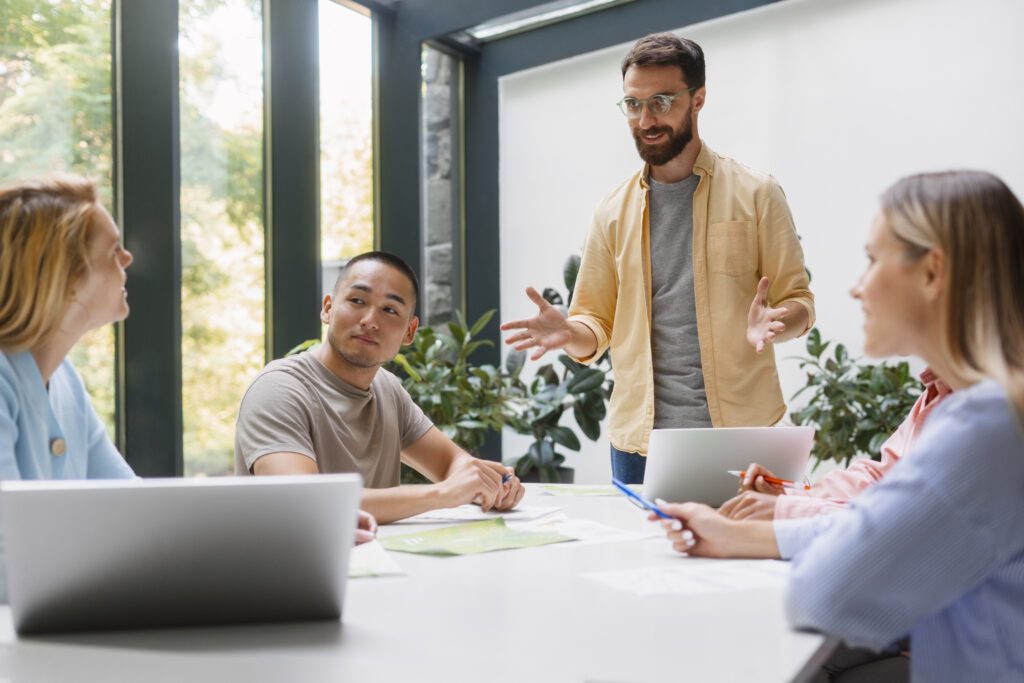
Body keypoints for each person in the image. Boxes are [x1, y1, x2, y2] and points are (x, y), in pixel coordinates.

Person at [653, 171, 1024, 681]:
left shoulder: (989, 425)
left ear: (933, 272)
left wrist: (772, 521)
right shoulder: (982, 405)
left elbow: (825, 594)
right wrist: (750, 532)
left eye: (873, 261)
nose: (856, 287)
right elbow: (884, 506)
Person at [500, 32, 815, 484]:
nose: (645, 119)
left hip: (743, 435)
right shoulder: (611, 211)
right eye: (633, 104)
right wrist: (569, 332)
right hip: (640, 445)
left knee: (754, 553)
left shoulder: (756, 193)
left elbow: (800, 300)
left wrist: (779, 319)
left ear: (698, 98)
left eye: (661, 102)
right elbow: (594, 326)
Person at [234, 251, 525, 524]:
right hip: (293, 573)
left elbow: (451, 462)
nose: (370, 321)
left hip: (376, 565)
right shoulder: (279, 389)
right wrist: (444, 495)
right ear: (328, 308)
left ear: (409, 332)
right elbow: (304, 503)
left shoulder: (387, 389)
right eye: (357, 301)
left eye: (389, 309)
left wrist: (484, 481)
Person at [0, 176, 137, 600]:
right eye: (112, 250)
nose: (127, 258)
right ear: (62, 277)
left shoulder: (65, 381)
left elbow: (136, 512)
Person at [719, 367, 952, 521]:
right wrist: (785, 498)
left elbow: (909, 516)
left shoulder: (976, 402)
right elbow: (882, 479)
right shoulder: (937, 391)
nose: (857, 291)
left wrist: (784, 511)